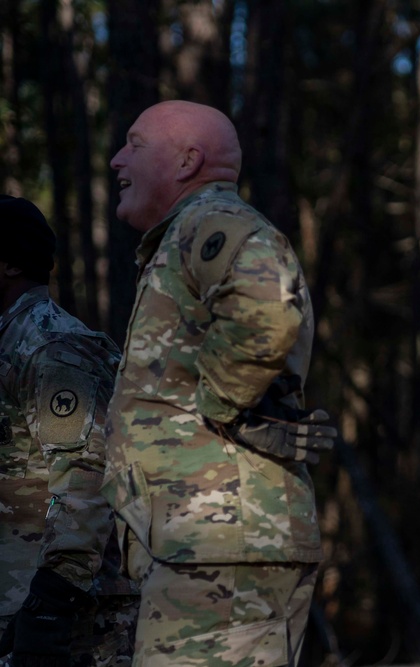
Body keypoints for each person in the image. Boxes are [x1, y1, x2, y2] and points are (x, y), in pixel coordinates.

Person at [103, 100, 336, 666]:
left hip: (220, 545)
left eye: (134, 144)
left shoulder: (211, 221)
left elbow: (267, 305)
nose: (116, 160)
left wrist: (224, 406)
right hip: (208, 546)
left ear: (187, 160)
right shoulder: (186, 232)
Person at [0, 195, 138, 666]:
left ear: (10, 264)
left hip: (68, 630)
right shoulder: (10, 343)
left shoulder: (54, 348)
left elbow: (83, 481)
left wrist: (48, 608)